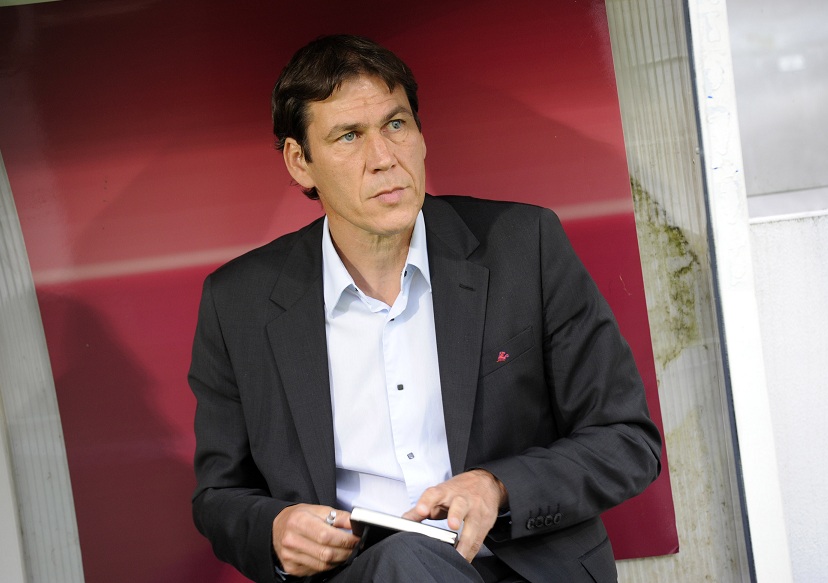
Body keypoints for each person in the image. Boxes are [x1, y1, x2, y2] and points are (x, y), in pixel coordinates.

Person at [189, 34, 661, 583]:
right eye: (349, 136)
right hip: (361, 573)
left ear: (420, 134)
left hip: (524, 566)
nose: (384, 158)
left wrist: (497, 487)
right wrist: (274, 529)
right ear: (300, 162)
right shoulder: (239, 302)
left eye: (396, 124)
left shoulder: (523, 246)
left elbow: (627, 439)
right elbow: (219, 496)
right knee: (404, 561)